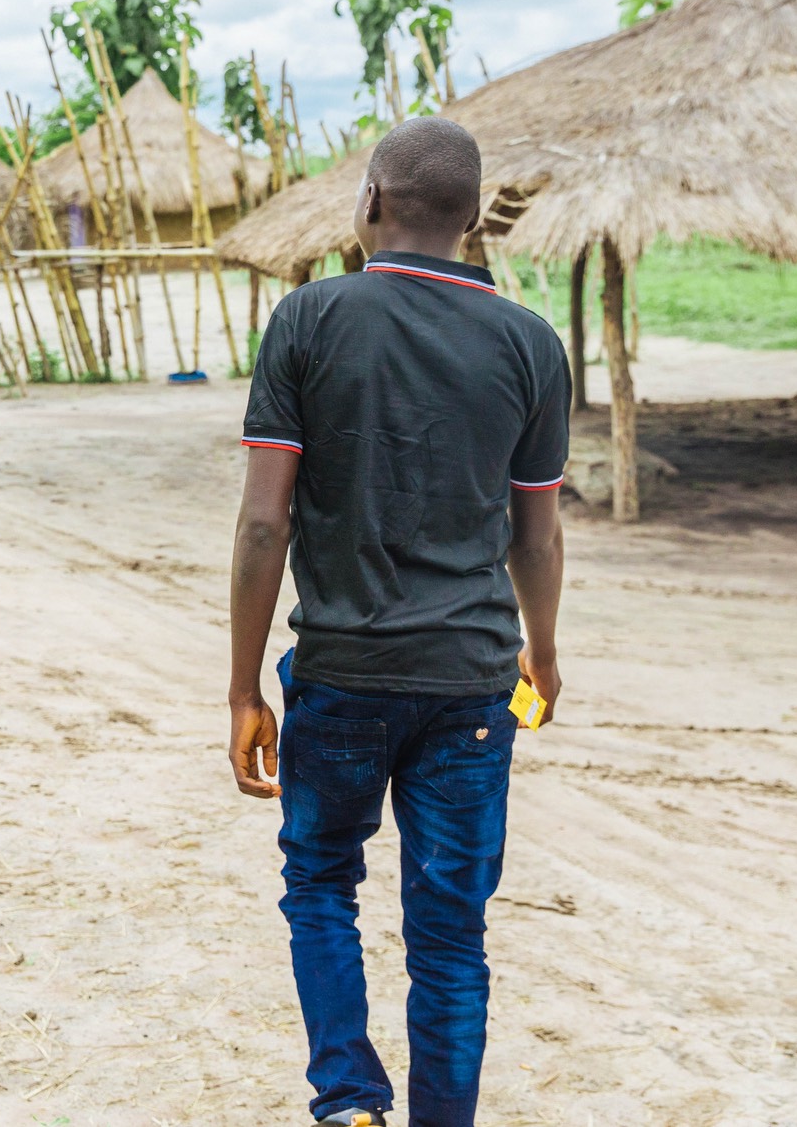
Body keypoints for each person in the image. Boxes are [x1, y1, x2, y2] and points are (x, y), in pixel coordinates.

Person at [227, 117, 569, 1127]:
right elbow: (536, 535)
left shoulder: (306, 320)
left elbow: (261, 521)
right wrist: (538, 655)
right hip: (471, 678)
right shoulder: (527, 343)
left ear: (368, 202)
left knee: (321, 882)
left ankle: (346, 1100)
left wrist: (243, 685)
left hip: (339, 670)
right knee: (450, 937)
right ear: (472, 221)